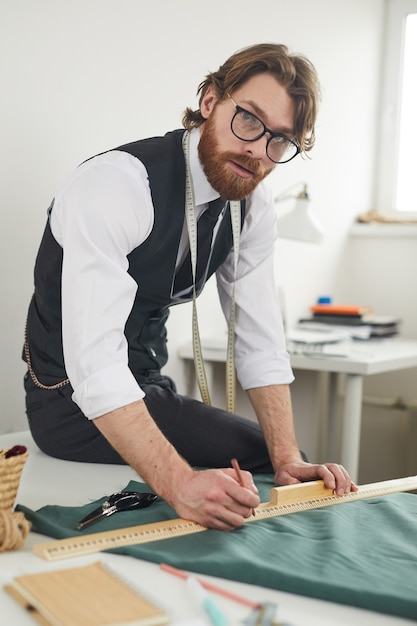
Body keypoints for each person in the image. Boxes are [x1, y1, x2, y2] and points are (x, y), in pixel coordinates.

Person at [23, 43, 357, 531]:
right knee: (246, 463)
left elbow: (259, 340)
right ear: (209, 101)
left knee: (284, 464)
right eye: (248, 120)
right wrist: (178, 485)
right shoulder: (116, 186)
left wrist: (287, 458)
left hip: (148, 387)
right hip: (70, 404)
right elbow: (94, 366)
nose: (257, 151)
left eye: (279, 141)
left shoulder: (254, 209)